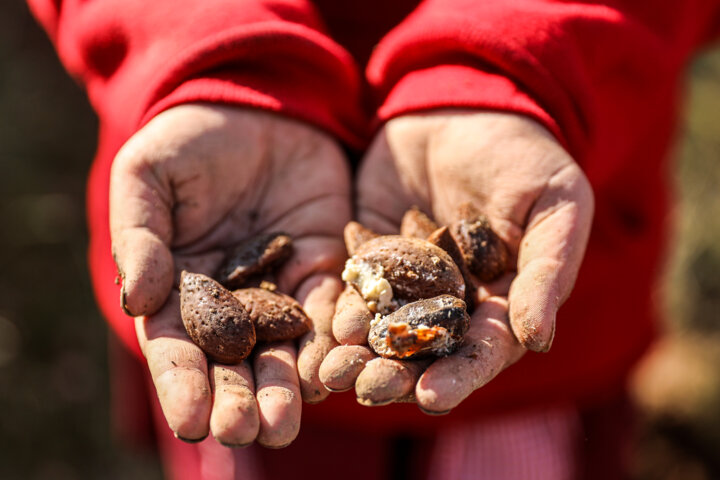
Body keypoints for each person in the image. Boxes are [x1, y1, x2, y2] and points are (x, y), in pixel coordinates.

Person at [27, 0, 720, 478]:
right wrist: (209, 58)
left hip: (544, 350)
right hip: (223, 217)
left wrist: (509, 64)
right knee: (251, 432)